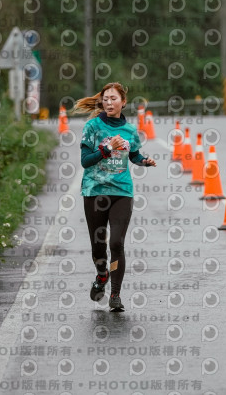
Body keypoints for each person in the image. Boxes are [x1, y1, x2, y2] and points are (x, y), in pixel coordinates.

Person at [74, 82, 156, 311]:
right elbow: (85, 161)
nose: (109, 103)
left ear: (123, 102)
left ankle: (115, 295)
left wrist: (144, 162)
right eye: (105, 99)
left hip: (121, 192)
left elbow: (134, 155)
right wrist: (107, 149)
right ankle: (102, 275)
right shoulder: (92, 127)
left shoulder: (130, 131)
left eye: (113, 99)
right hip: (95, 192)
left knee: (117, 243)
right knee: (98, 247)